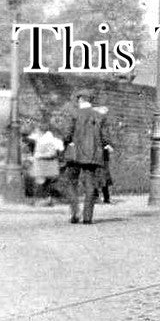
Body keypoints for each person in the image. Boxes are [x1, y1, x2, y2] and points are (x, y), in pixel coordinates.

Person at [62, 88, 112, 224]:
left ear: (81, 99)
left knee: (70, 182)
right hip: (93, 155)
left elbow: (67, 133)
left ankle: (75, 211)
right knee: (90, 185)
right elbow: (105, 136)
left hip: (75, 154)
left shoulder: (75, 113)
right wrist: (106, 145)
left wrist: (65, 142)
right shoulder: (99, 115)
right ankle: (87, 217)